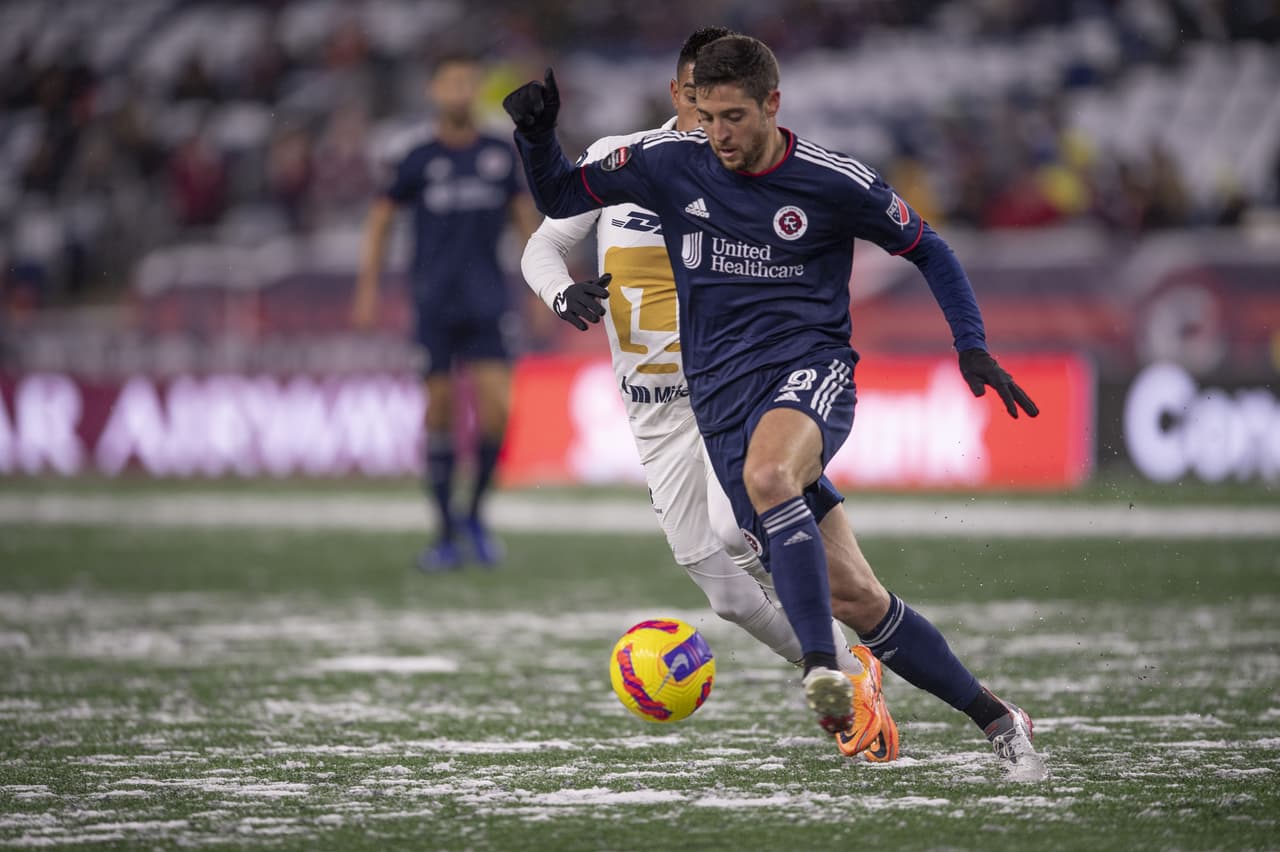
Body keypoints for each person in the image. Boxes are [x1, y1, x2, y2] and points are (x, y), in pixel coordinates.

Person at [503, 35, 1046, 779]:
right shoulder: (666, 165)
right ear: (682, 98)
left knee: (762, 485)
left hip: (806, 373)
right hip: (713, 399)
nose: (716, 131)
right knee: (854, 592)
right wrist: (535, 137)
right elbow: (561, 199)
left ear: (771, 105)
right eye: (705, 111)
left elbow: (928, 246)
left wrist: (971, 344)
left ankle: (824, 669)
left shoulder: (830, 179)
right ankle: (996, 715)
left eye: (731, 115)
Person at [520, 27, 895, 763]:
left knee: (738, 525)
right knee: (723, 589)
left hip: (726, 390)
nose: (710, 117)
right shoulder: (622, 161)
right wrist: (561, 292)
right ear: (678, 94)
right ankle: (850, 666)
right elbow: (542, 242)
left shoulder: (749, 181)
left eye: (725, 106)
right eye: (698, 98)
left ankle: (840, 659)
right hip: (650, 407)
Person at [355, 52, 539, 571]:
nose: (459, 91)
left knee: (498, 412)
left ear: (475, 90)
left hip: (487, 303)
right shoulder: (416, 158)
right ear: (435, 90)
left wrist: (545, 286)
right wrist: (368, 287)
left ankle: (474, 513)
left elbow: (526, 222)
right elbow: (380, 219)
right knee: (438, 411)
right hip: (434, 303)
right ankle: (443, 534)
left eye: (467, 83)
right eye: (450, 82)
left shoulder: (498, 156)